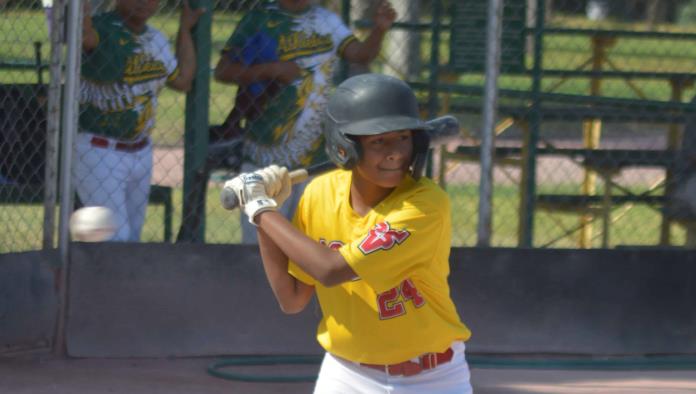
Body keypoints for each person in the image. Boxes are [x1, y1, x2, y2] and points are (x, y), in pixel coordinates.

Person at [224, 73, 473, 393]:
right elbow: (292, 299)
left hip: (432, 378)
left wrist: (260, 207)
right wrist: (264, 215)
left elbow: (331, 269)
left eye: (403, 137)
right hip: (346, 375)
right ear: (344, 147)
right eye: (378, 141)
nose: (395, 151)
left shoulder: (425, 204)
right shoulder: (320, 194)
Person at [214, 0, 397, 244]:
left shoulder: (326, 20)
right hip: (264, 153)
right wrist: (273, 69)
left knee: (309, 245)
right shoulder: (258, 19)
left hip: (315, 158)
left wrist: (380, 29)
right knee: (260, 246)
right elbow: (223, 71)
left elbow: (360, 54)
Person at [74, 0, 204, 241]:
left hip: (142, 151)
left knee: (132, 238)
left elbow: (183, 80)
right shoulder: (102, 28)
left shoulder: (155, 39)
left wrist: (184, 29)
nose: (146, 2)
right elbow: (85, 37)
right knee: (115, 238)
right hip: (99, 149)